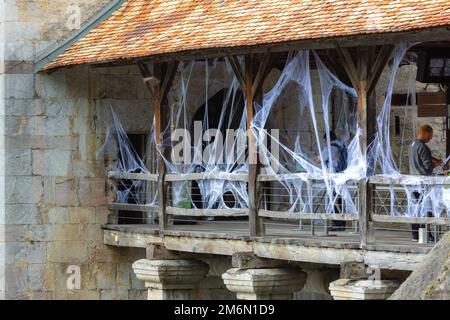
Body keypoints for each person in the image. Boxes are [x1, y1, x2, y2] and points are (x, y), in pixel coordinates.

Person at [408, 124, 444, 242]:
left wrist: (437, 160)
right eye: (431, 136)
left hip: (413, 183)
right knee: (425, 209)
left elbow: (422, 157)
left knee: (415, 209)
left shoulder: (412, 145)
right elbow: (428, 167)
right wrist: (436, 164)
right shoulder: (423, 147)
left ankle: (415, 235)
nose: (430, 138)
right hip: (422, 184)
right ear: (426, 133)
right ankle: (427, 235)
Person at [315, 131, 348, 231]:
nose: (324, 144)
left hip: (334, 176)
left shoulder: (331, 147)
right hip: (342, 175)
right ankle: (341, 224)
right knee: (339, 200)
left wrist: (315, 156)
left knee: (333, 200)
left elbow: (318, 160)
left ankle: (337, 225)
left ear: (327, 140)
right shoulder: (342, 145)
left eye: (324, 141)